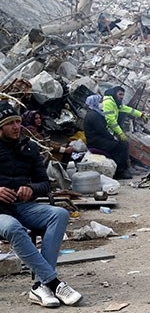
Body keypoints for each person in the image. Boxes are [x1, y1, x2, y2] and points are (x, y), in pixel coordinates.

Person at [0, 101, 83, 307]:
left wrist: (32, 189)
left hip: (22, 206)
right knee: (12, 227)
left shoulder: (29, 146)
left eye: (18, 122)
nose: (16, 127)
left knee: (60, 214)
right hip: (1, 213)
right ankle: (53, 282)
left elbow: (45, 184)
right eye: (10, 123)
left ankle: (39, 286)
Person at [84, 95, 133, 179]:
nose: (102, 103)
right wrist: (112, 138)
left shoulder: (93, 113)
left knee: (120, 143)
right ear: (95, 102)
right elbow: (102, 131)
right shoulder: (94, 116)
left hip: (96, 140)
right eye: (100, 101)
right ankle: (120, 171)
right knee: (122, 145)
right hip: (97, 141)